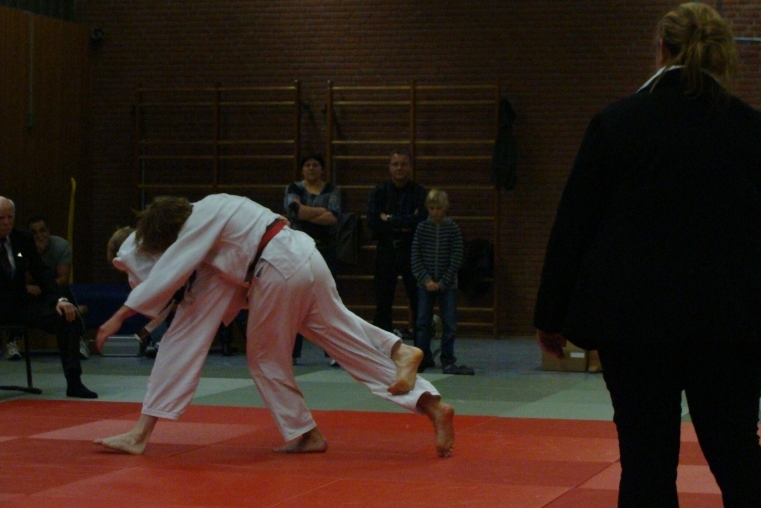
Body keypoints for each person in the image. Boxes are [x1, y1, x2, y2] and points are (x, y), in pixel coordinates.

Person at [534, 2, 761, 508]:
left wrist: (551, 313)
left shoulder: (617, 123)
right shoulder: (752, 128)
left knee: (646, 462)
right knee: (738, 453)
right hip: (731, 323)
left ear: (661, 49)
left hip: (635, 323)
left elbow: (574, 225)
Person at [94, 194, 454, 458]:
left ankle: (305, 433)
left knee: (265, 360)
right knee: (346, 341)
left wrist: (120, 315)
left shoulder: (196, 227)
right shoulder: (220, 204)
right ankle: (423, 392)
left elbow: (173, 284)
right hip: (305, 255)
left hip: (277, 269)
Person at [0, 197, 96, 398]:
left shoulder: (22, 239)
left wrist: (59, 300)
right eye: (1, 218)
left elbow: (42, 273)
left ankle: (74, 382)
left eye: (10, 217)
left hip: (20, 303)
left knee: (67, 317)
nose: (7, 222)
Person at [284, 152, 342, 365]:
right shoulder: (293, 188)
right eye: (307, 165)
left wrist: (305, 212)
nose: (311, 168)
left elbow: (333, 217)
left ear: (322, 169)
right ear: (302, 169)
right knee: (295, 300)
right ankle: (291, 351)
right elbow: (293, 211)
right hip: (298, 250)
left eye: (315, 165)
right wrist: (320, 211)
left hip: (326, 249)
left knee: (328, 301)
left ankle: (333, 352)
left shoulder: (333, 190)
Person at [367, 149, 427, 336]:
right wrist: (404, 224)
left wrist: (390, 219)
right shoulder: (379, 192)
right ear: (389, 167)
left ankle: (422, 347)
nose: (399, 167)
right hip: (386, 249)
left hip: (412, 250)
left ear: (410, 167)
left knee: (418, 300)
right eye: (395, 164)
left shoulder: (419, 192)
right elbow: (373, 223)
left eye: (403, 164)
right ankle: (383, 345)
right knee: (383, 301)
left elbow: (420, 222)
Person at [411, 189, 471, 375]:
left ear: (445, 208)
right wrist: (426, 279)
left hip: (448, 285)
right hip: (425, 284)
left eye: (438, 208)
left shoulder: (453, 229)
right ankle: (422, 358)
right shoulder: (422, 228)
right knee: (422, 321)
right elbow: (415, 256)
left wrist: (444, 281)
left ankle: (447, 358)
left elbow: (456, 257)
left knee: (449, 323)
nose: (435, 212)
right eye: (431, 208)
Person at [22, 216, 91, 360]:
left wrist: (42, 288)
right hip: (30, 291)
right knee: (18, 296)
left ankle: (79, 340)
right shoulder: (22, 247)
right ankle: (12, 342)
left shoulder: (60, 245)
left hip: (52, 289)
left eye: (42, 230)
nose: (39, 235)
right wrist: (35, 254)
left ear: (49, 231)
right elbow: (21, 279)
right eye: (34, 232)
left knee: (65, 294)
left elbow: (63, 279)